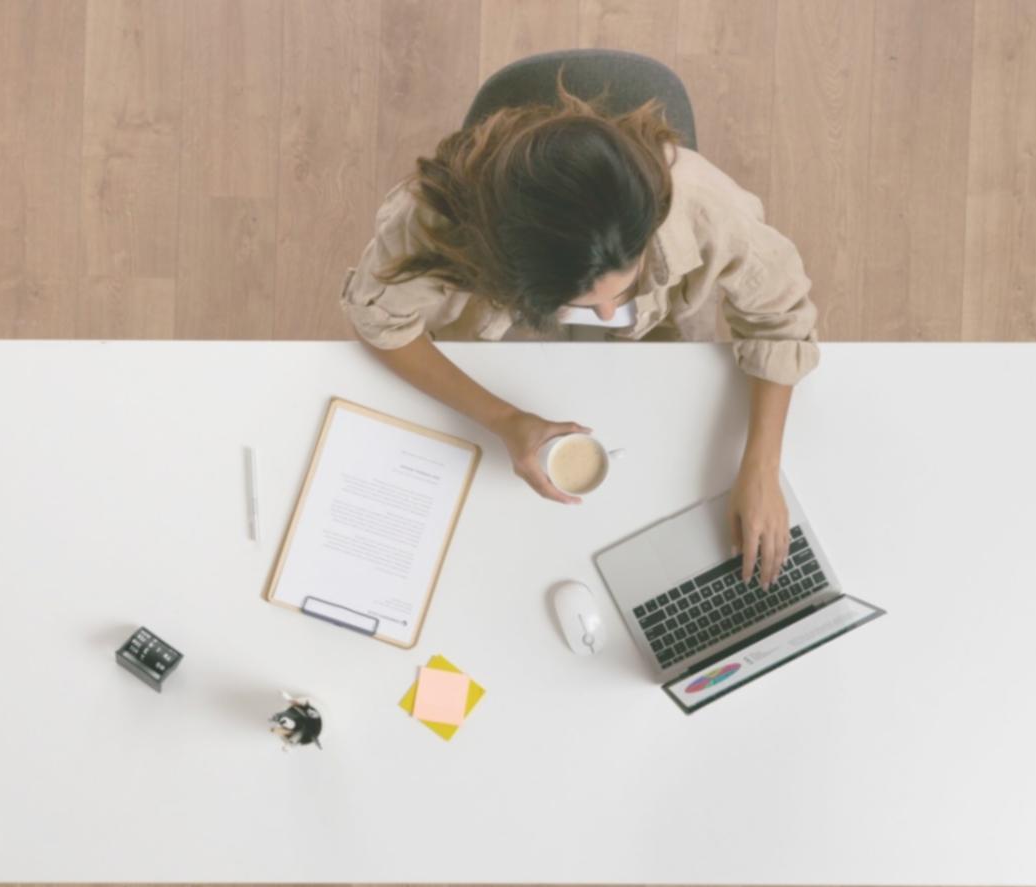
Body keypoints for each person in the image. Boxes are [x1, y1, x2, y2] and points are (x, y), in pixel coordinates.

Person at [338, 69, 820, 589]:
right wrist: (503, 418)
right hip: (500, 353)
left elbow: (782, 320)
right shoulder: (428, 221)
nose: (609, 315)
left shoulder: (701, 202)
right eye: (586, 300)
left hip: (656, 356)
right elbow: (380, 323)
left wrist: (762, 468)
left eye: (624, 286)